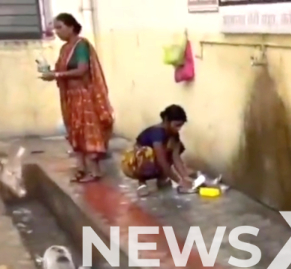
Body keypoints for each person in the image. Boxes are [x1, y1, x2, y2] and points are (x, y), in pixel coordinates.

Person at [40, 13, 113, 183]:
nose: (57, 32)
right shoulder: (65, 49)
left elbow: (82, 70)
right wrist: (51, 72)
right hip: (69, 97)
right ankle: (81, 168)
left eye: (60, 27)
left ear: (71, 27)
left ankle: (94, 171)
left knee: (88, 131)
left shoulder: (81, 46)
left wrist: (57, 74)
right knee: (74, 131)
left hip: (83, 95)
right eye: (55, 28)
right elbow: (63, 70)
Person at [121, 105, 193, 196]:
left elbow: (176, 157)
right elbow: (161, 160)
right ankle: (142, 183)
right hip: (133, 164)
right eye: (176, 125)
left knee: (171, 148)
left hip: (153, 161)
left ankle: (162, 178)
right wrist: (178, 181)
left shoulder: (174, 135)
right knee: (149, 153)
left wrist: (185, 177)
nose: (178, 129)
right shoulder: (157, 133)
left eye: (180, 126)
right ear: (167, 121)